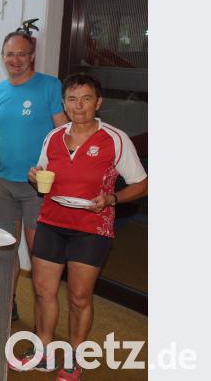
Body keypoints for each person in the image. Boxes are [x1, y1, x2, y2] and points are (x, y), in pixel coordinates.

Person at [12, 73, 147, 380]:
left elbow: (142, 184)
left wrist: (112, 198)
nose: (79, 106)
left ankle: (74, 358)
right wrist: (37, 176)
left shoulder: (114, 138)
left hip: (92, 227)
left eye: (86, 99)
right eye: (72, 99)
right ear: (64, 103)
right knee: (43, 290)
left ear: (98, 102)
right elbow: (44, 173)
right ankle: (43, 351)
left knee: (79, 297)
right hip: (51, 221)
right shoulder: (54, 136)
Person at [0, 31, 69, 320]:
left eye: (22, 54)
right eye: (10, 54)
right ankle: (7, 307)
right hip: (5, 184)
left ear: (32, 55)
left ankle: (43, 317)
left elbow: (63, 133)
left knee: (39, 255)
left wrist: (56, 171)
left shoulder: (49, 86)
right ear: (3, 57)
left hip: (37, 188)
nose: (16, 60)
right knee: (5, 250)